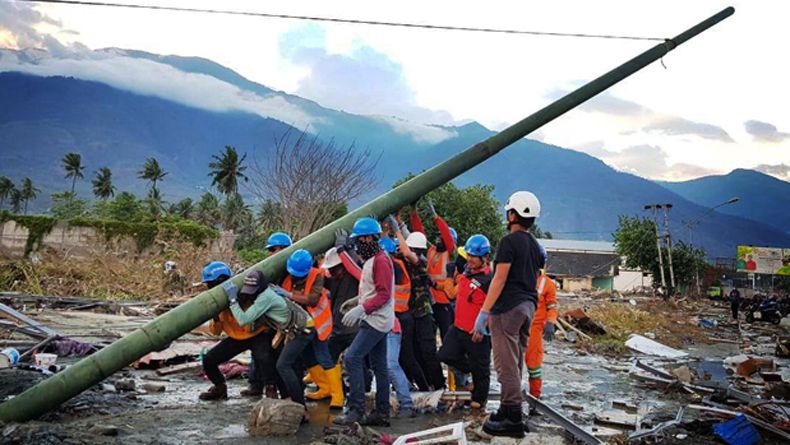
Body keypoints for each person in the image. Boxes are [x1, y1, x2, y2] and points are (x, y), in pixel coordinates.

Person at [474, 191, 543, 437]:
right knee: (515, 360)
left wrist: (484, 312)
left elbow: (499, 279)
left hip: (507, 309)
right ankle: (506, 408)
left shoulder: (509, 242)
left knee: (505, 364)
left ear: (513, 214)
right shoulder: (535, 245)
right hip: (527, 307)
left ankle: (513, 418)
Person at [220, 269, 312, 421]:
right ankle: (293, 402)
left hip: (304, 330)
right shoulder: (266, 292)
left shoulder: (265, 297)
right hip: (294, 328)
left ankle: (301, 409)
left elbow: (243, 319)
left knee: (283, 366)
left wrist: (232, 301)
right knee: (285, 364)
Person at [333, 217, 394, 427]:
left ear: (369, 237)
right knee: (379, 366)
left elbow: (384, 294)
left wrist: (362, 308)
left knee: (352, 358)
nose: (358, 244)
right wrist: (357, 301)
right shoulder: (372, 259)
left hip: (376, 320)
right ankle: (382, 412)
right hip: (377, 318)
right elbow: (372, 288)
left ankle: (356, 410)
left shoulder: (381, 261)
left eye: (359, 240)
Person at [199, 262, 275, 401]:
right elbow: (215, 332)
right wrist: (215, 316)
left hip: (257, 333)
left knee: (264, 359)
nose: (210, 287)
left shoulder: (243, 291)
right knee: (209, 360)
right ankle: (220, 387)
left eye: (211, 284)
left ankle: (270, 388)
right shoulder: (215, 301)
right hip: (236, 337)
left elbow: (250, 317)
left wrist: (234, 299)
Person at [280, 249, 343, 410]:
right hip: (301, 324)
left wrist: (288, 294)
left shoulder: (316, 275)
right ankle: (324, 388)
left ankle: (337, 395)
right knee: (308, 357)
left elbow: (313, 300)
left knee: (324, 357)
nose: (296, 277)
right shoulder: (288, 279)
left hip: (317, 323)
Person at [437, 234, 493, 413]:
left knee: (482, 369)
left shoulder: (489, 281)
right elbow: (452, 294)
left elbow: (493, 307)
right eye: (468, 255)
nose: (469, 259)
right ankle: (471, 373)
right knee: (445, 355)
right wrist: (446, 278)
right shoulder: (465, 275)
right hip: (458, 328)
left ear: (484, 258)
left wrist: (482, 327)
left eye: (473, 256)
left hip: (477, 332)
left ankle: (478, 405)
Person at [403, 229, 445, 390]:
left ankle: (438, 385)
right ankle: (425, 384)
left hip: (424, 313)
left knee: (428, 351)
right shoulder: (408, 262)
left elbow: (407, 253)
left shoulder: (419, 261)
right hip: (413, 313)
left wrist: (397, 230)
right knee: (416, 351)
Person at [410, 201, 457, 340]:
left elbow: (447, 236)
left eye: (440, 237)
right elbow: (420, 234)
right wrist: (414, 213)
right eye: (437, 237)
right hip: (430, 300)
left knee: (446, 334)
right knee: (429, 334)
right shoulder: (431, 250)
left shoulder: (450, 253)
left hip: (444, 302)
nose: (437, 239)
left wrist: (436, 217)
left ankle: (449, 359)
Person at [524, 244, 558, 400]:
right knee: (510, 366)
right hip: (516, 327)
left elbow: (552, 307)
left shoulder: (548, 284)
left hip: (534, 330)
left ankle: (535, 399)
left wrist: (550, 322)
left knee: (534, 366)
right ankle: (510, 401)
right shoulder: (519, 279)